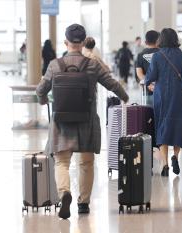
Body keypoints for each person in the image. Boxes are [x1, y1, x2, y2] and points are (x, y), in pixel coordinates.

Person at [36, 24, 129, 219]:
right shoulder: (92, 65)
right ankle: (83, 203)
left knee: (61, 162)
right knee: (86, 163)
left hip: (62, 121)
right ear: (84, 42)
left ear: (66, 42)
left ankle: (64, 194)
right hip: (86, 121)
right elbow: (111, 83)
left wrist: (44, 100)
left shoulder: (55, 65)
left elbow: (41, 89)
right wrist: (125, 96)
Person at [145, 28, 182, 176]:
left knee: (162, 126)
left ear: (161, 39)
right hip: (176, 95)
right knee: (178, 125)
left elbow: (149, 77)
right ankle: (175, 156)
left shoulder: (156, 56)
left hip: (161, 96)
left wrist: (148, 82)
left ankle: (165, 164)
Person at [136, 30, 160, 106]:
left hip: (147, 90)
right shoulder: (163, 53)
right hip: (161, 90)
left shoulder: (140, 55)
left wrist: (149, 84)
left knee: (147, 114)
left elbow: (139, 73)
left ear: (146, 42)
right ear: (158, 41)